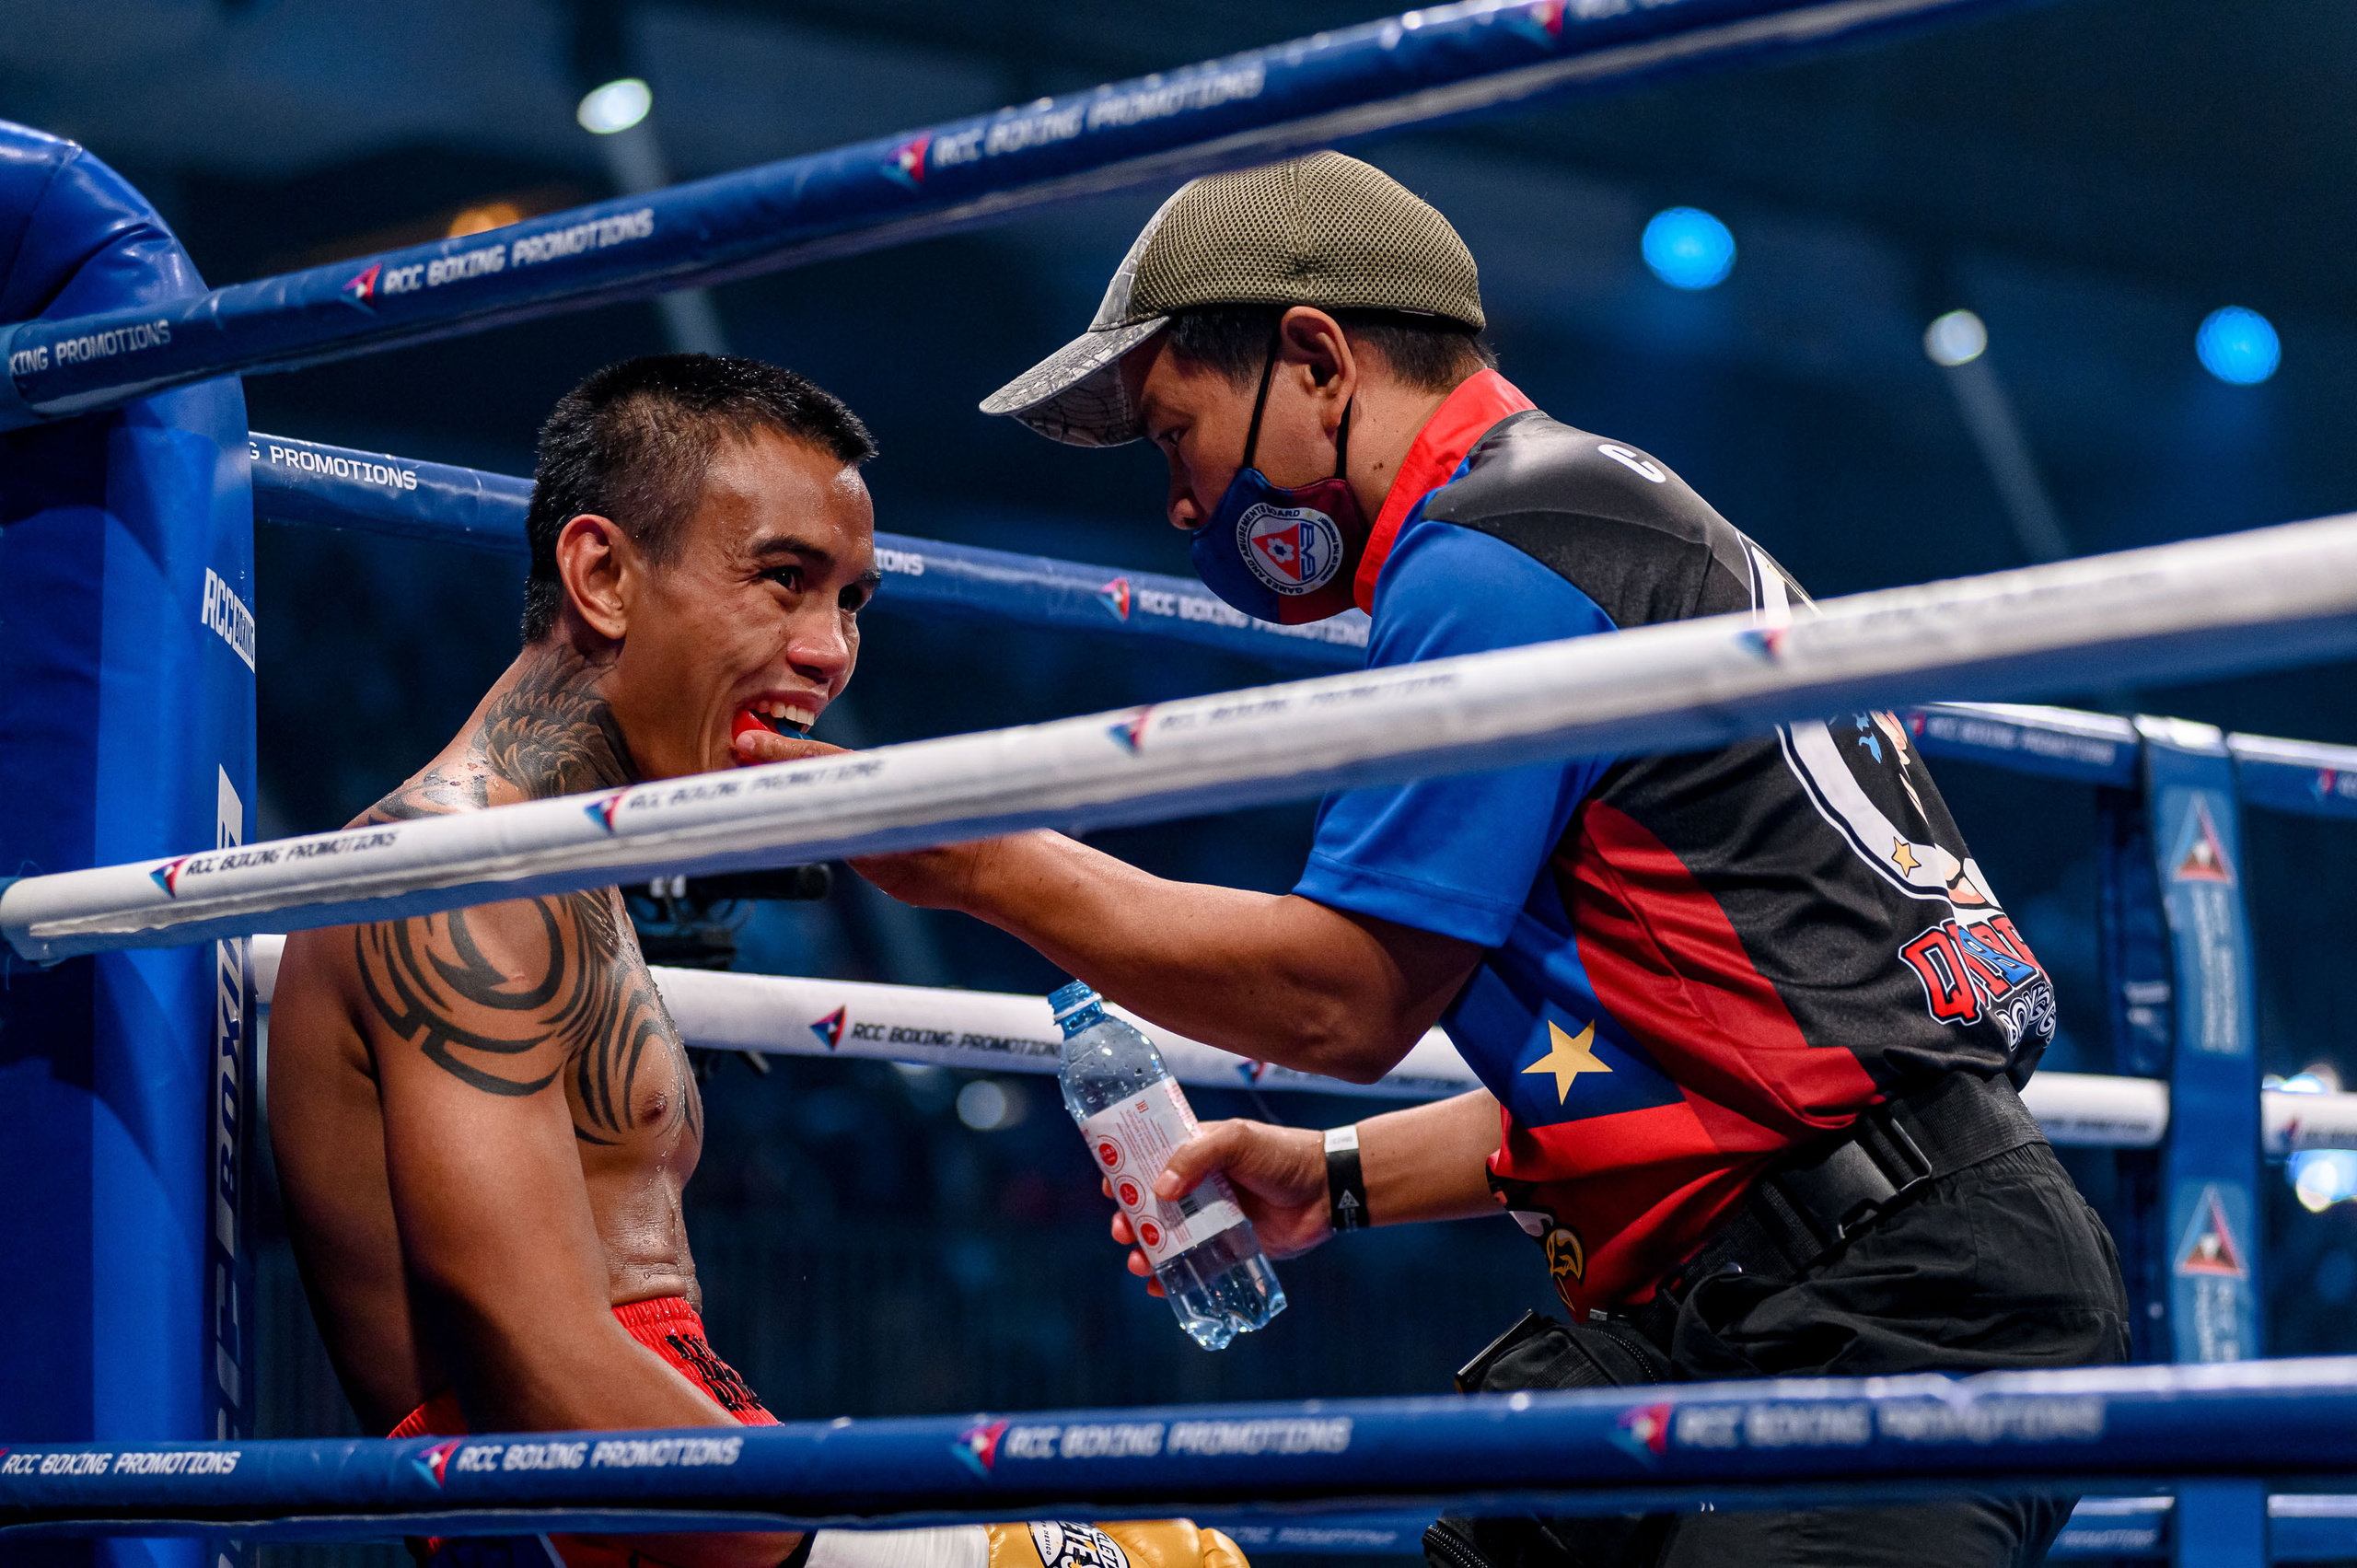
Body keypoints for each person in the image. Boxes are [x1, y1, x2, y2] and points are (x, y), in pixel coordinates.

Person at [855, 155, 2131, 1568]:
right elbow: (1685, 1065)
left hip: (1891, 1306)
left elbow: (1343, 1006)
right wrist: (1329, 1178)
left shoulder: (1489, 557)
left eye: (1178, 434)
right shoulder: (1574, 514)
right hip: (1786, 1281)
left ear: (1316, 359)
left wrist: (977, 858)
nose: (1179, 502)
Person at [268, 354, 1248, 1568]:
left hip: (688, 1508)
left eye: (851, 602)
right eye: (784, 582)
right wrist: (935, 1560)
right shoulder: (451, 877)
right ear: (603, 575)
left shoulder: (565, 871)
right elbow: (541, 1368)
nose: (830, 649)